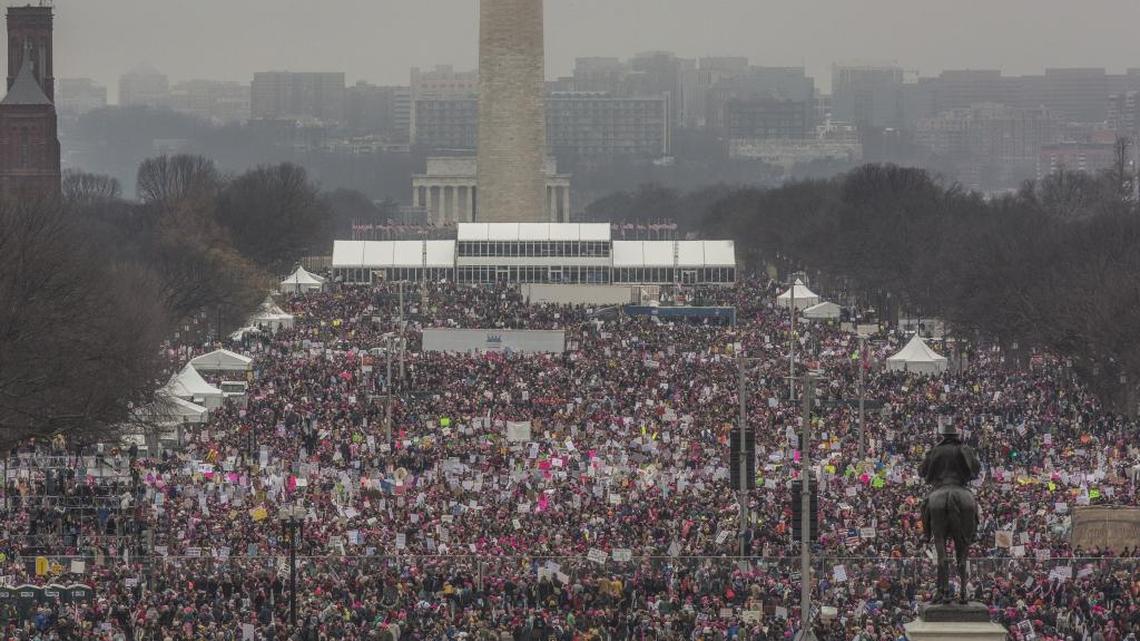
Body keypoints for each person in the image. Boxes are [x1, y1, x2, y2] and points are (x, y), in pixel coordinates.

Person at [918, 421, 981, 544]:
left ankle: (926, 534)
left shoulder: (936, 450)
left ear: (944, 436)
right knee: (973, 505)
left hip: (941, 485)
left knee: (924, 505)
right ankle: (974, 533)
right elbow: (976, 467)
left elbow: (922, 470)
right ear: (955, 436)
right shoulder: (964, 449)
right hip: (959, 484)